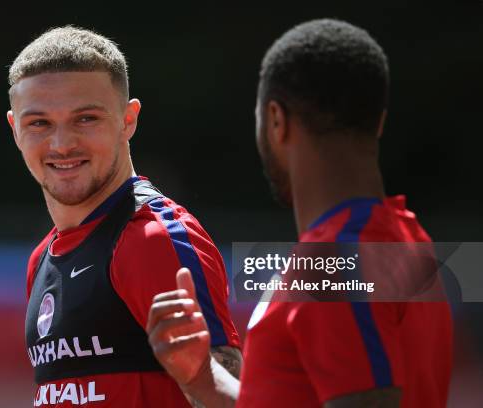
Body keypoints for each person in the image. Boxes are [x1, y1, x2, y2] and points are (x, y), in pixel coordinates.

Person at [146, 19, 453, 408]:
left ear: (276, 120)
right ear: (379, 121)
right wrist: (203, 377)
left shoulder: (331, 260)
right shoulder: (410, 238)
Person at [6, 26, 241, 407]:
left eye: (86, 119)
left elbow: (231, 394)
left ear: (128, 120)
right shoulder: (42, 259)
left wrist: (202, 379)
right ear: (15, 130)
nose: (62, 143)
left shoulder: (154, 238)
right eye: (39, 123)